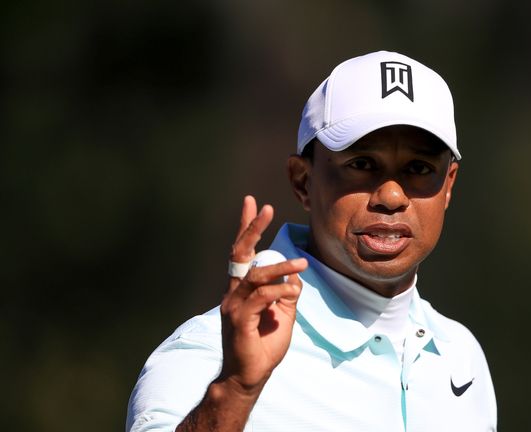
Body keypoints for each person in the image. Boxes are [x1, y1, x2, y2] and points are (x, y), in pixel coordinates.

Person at [126, 50, 497, 432]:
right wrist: (236, 390)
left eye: (419, 169)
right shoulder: (211, 353)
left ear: (448, 185)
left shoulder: (460, 356)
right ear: (303, 181)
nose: (391, 196)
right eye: (362, 164)